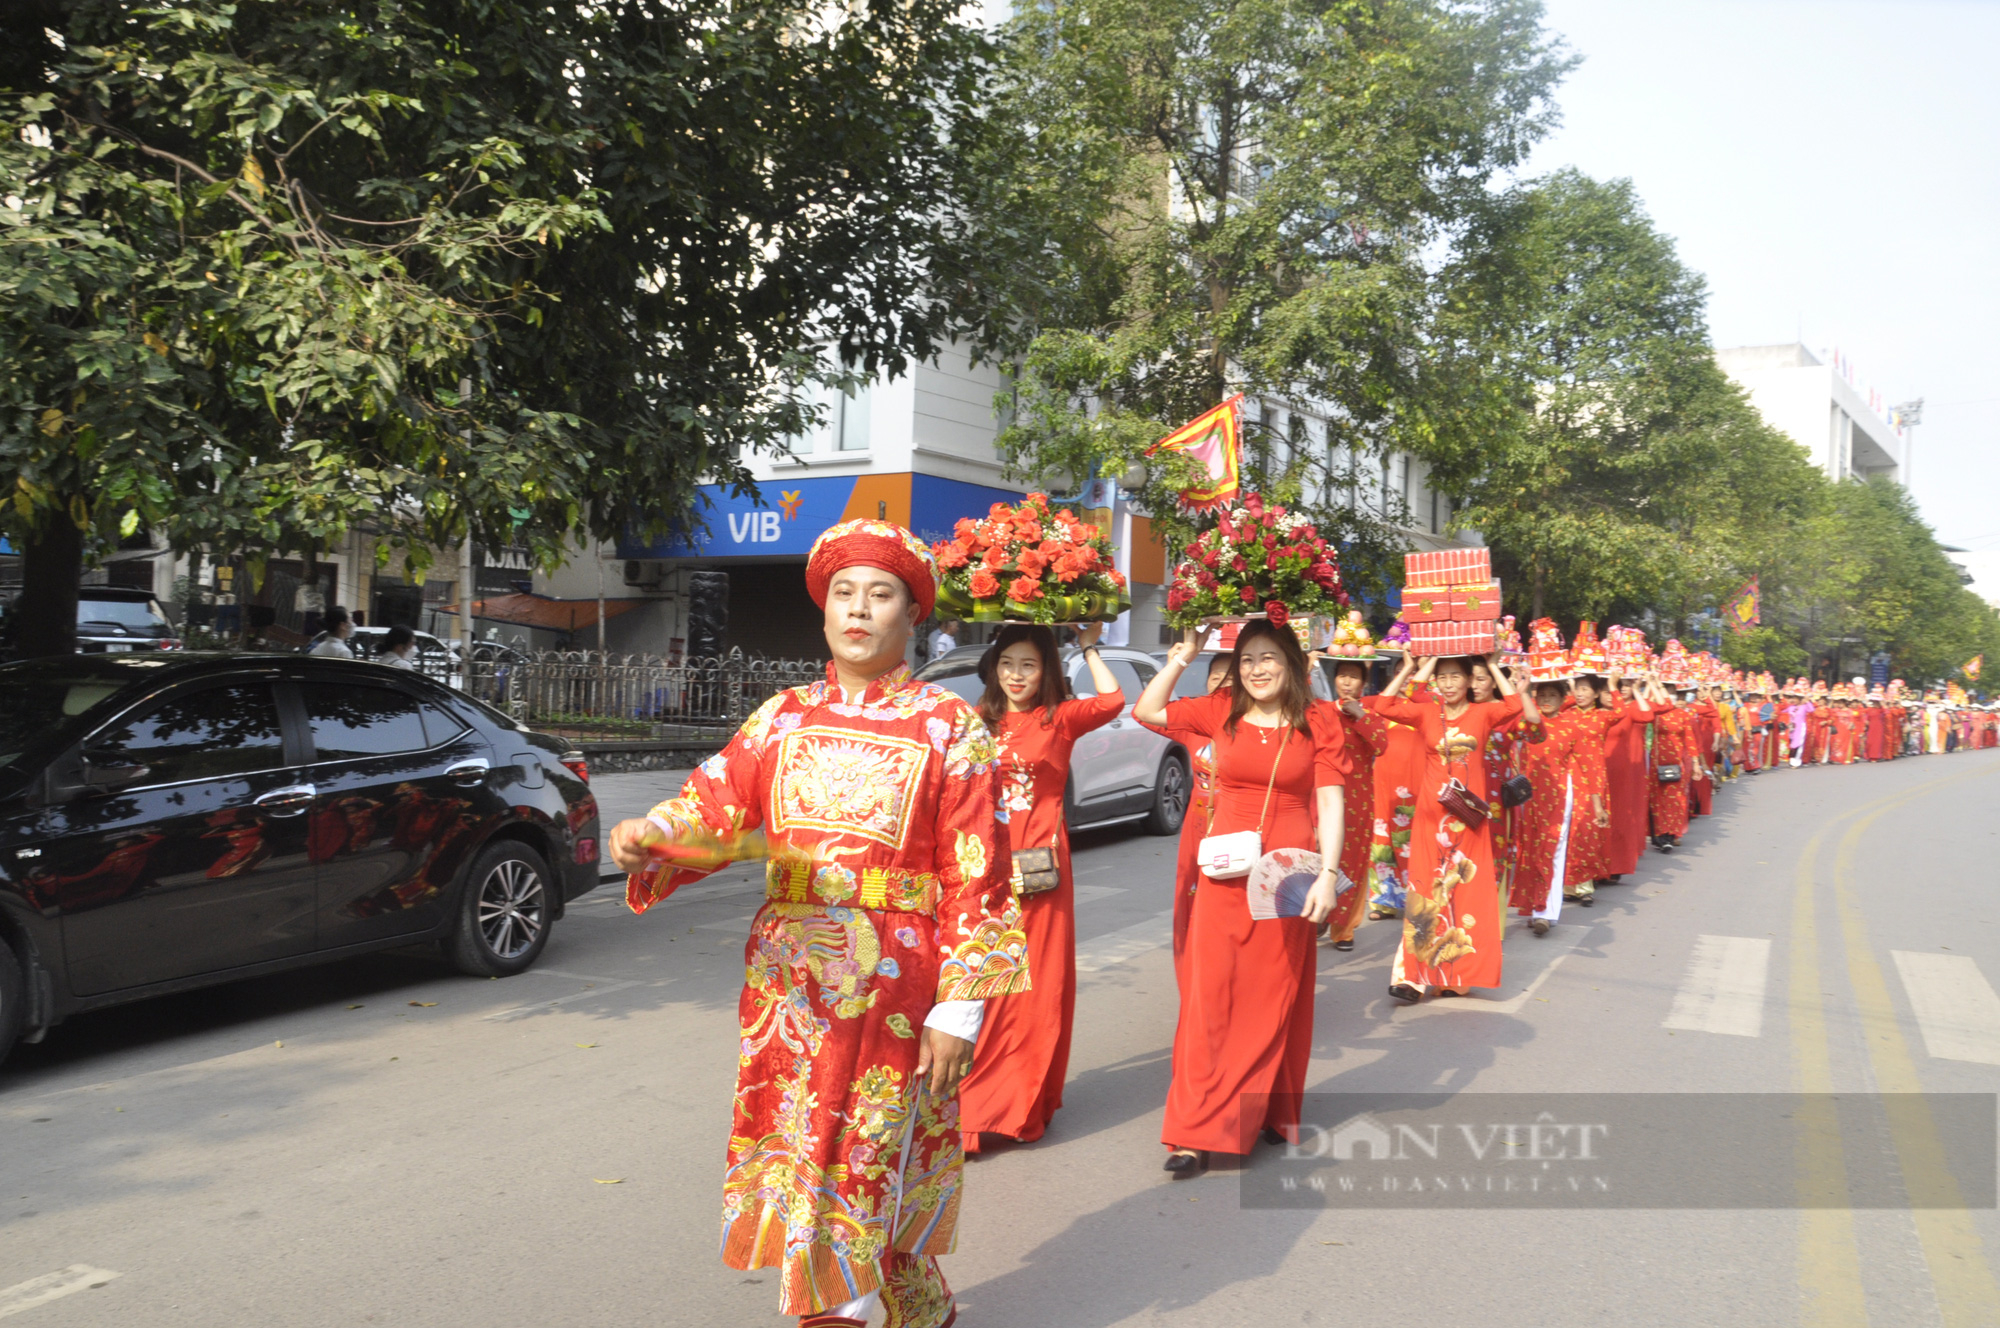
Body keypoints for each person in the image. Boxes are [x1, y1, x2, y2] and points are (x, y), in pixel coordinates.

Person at [605, 518, 1028, 1328]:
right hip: (787, 987)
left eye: (880, 594)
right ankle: (913, 1306)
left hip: (896, 989)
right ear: (824, 613)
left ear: (913, 615)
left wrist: (960, 1005)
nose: (859, 609)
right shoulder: (782, 718)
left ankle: (836, 1312)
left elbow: (978, 871)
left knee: (859, 1155)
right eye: (844, 593)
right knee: (809, 1153)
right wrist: (651, 836)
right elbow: (714, 805)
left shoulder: (949, 728)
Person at [1134, 620, 1348, 1174]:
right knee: (1209, 1001)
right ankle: (1190, 1130)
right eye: (1247, 657)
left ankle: (1263, 1113)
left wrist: (1328, 874)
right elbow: (1148, 711)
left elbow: (1329, 801)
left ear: (1293, 663)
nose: (1256, 668)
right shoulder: (1218, 711)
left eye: (1269, 657)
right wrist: (1181, 657)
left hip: (1286, 880)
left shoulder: (1318, 720)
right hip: (1223, 879)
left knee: (1270, 998)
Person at [959, 621, 1123, 1152]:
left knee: (1033, 992)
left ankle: (1021, 1106)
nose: (1016, 675)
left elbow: (1114, 699)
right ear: (993, 668)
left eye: (1028, 665)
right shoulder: (978, 721)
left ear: (1046, 669)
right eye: (1007, 664)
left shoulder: (1060, 718)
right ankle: (975, 1104)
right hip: (985, 871)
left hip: (1040, 874)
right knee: (983, 986)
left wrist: (1090, 644)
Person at [1373, 650, 1540, 1002]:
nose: (1448, 684)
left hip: (1468, 822)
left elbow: (1512, 705)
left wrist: (1493, 664)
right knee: (1423, 893)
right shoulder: (1425, 712)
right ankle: (1412, 978)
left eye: (1455, 677)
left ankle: (1454, 975)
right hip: (1428, 822)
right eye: (1442, 677)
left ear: (1469, 682)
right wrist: (1420, 664)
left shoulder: (1483, 713)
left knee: (1463, 894)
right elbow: (1384, 706)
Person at [1136, 649, 1234, 987]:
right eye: (1216, 677)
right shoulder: (1195, 723)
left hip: (1238, 829)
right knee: (1190, 906)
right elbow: (1145, 714)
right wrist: (1174, 666)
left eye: (1231, 678)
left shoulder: (1255, 727)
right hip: (1197, 830)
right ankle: (1193, 980)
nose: (1223, 684)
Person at [1323, 653, 1390, 951]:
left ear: (1364, 682)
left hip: (1359, 798)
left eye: (1354, 676)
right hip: (1324, 794)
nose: (1347, 681)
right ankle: (1320, 913)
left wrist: (1360, 714)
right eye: (1342, 675)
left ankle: (1345, 928)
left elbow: (1381, 744)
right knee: (1320, 857)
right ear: (1334, 679)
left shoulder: (1371, 715)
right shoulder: (1322, 711)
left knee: (1352, 862)